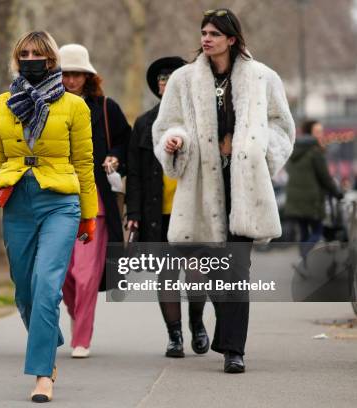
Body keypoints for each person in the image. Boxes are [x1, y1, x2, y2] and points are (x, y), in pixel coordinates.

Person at [152, 8, 295, 373]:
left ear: (232, 39)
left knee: (236, 271)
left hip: (244, 190)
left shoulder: (263, 77)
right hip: (200, 191)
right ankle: (223, 333)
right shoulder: (183, 80)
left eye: (214, 33)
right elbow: (167, 125)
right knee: (210, 269)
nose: (206, 38)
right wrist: (175, 142)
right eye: (203, 32)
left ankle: (234, 350)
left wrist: (254, 150)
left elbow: (282, 127)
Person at [0, 31, 97, 402]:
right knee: (24, 290)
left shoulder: (74, 106)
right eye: (23, 53)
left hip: (60, 202)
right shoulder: (2, 105)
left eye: (37, 53)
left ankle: (43, 374)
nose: (30, 58)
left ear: (51, 60)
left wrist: (88, 213)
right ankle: (48, 339)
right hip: (17, 202)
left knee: (46, 286)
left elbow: (84, 163)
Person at [126, 56, 209, 358]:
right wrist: (132, 214)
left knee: (197, 271)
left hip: (192, 210)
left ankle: (197, 323)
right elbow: (134, 173)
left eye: (171, 78)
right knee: (167, 275)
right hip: (156, 213)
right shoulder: (145, 123)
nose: (166, 83)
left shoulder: (200, 118)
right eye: (161, 79)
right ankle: (174, 335)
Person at [58, 43, 131, 359]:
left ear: (88, 77)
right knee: (61, 275)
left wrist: (115, 159)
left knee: (86, 275)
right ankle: (79, 317)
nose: (71, 80)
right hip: (56, 200)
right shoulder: (47, 107)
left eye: (77, 74)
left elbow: (126, 144)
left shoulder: (105, 108)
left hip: (95, 203)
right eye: (65, 74)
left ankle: (82, 337)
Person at [285, 119, 344, 263]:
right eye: (317, 131)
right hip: (312, 200)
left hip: (295, 199)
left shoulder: (293, 149)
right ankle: (303, 257)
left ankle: (303, 265)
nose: (321, 134)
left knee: (304, 232)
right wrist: (337, 192)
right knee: (317, 231)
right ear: (309, 133)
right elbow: (325, 177)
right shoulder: (315, 151)